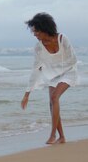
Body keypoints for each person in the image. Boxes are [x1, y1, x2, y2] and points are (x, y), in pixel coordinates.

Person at [21, 12, 78, 144]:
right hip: (52, 75)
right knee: (52, 103)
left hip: (69, 72)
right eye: (33, 32)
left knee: (54, 98)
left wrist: (54, 68)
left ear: (44, 28)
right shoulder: (38, 48)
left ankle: (52, 135)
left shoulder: (62, 39)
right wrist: (27, 94)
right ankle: (62, 137)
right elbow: (35, 70)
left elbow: (73, 59)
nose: (34, 34)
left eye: (36, 31)